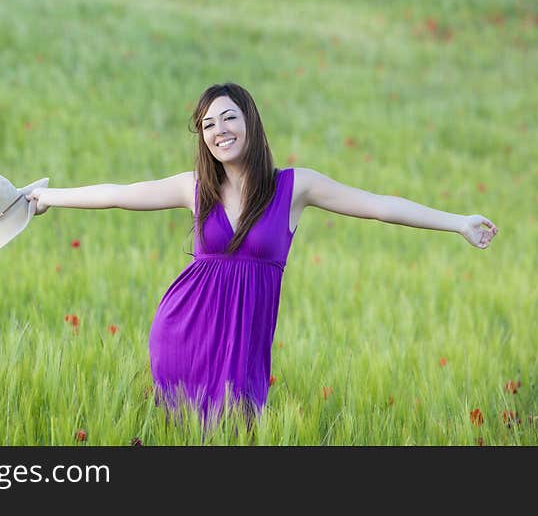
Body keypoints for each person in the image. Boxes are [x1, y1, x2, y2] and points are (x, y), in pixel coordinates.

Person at [26, 83, 499, 427]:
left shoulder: (295, 188)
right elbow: (119, 193)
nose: (218, 130)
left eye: (228, 117)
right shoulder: (195, 189)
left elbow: (379, 206)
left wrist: (456, 221)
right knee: (180, 435)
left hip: (244, 343)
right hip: (183, 333)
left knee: (238, 431)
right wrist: (50, 197)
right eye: (207, 124)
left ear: (251, 120)